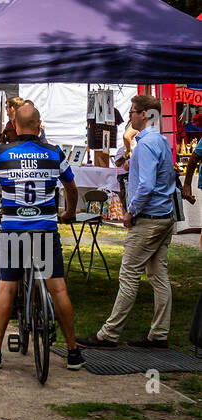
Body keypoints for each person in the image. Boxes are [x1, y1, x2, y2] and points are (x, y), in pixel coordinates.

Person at [0, 101, 85, 371]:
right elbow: (71, 186)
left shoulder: (1, 153)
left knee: (7, 288)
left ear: (14, 125)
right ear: (39, 125)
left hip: (14, 231)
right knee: (58, 288)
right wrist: (69, 212)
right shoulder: (55, 152)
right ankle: (73, 352)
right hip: (46, 230)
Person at [78, 94, 176, 350]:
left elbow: (145, 185)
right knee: (158, 275)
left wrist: (130, 211)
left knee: (129, 275)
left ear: (144, 114)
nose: (130, 115)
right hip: (165, 216)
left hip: (149, 219)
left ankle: (108, 334)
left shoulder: (145, 144)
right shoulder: (162, 142)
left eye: (133, 111)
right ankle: (159, 334)